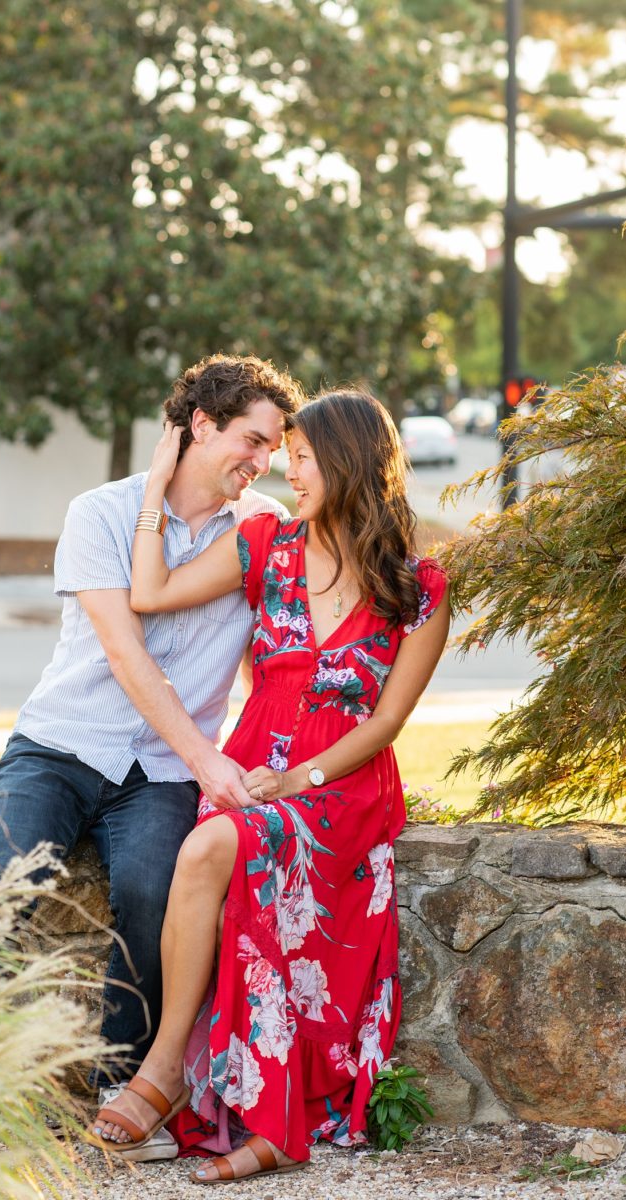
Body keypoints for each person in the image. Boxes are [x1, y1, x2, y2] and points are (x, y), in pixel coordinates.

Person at [91, 389, 449, 1183]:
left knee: (213, 843)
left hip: (341, 780)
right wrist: (153, 492)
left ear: (352, 463)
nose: (289, 470)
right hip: (257, 762)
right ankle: (194, 1080)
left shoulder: (418, 585)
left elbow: (387, 721)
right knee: (208, 847)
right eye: (287, 455)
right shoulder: (264, 544)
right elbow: (148, 593)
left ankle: (164, 1076)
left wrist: (300, 777)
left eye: (305, 457)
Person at [0, 354, 303, 1146]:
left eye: (272, 448)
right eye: (250, 440)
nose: (261, 462)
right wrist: (208, 760)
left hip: (156, 773)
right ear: (200, 425)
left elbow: (277, 658)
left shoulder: (263, 532)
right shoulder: (101, 512)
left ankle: (123, 1084)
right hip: (60, 744)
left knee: (155, 900)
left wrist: (279, 756)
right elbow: (126, 655)